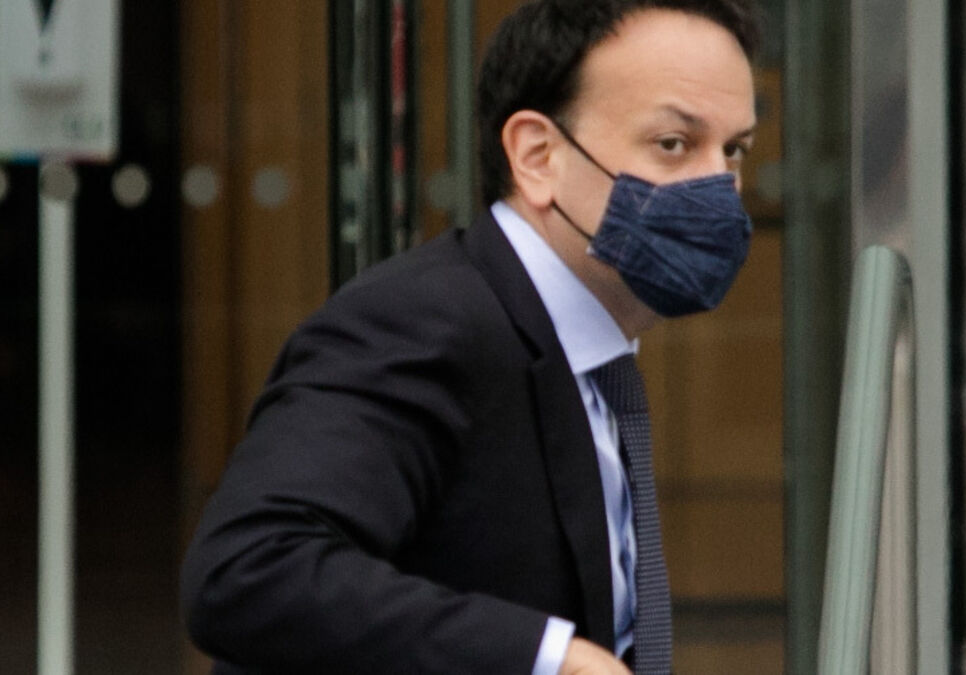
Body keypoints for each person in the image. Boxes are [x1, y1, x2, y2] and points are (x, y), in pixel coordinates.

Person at [180, 0, 761, 672]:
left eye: (734, 150)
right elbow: (248, 570)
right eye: (673, 144)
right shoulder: (420, 322)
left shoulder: (590, 356)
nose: (718, 187)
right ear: (537, 155)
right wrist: (548, 658)